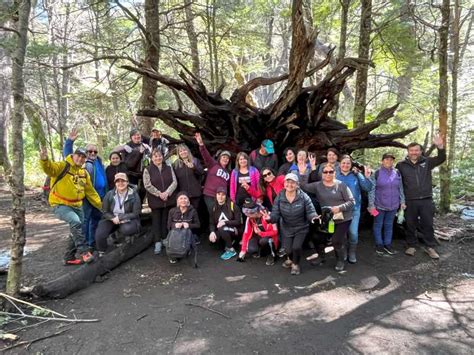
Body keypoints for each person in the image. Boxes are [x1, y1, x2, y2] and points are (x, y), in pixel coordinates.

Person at [39, 146, 101, 265]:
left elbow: (91, 192)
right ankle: (84, 251)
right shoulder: (63, 166)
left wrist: (101, 206)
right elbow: (49, 169)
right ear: (73, 155)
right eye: (79, 155)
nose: (80, 159)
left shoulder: (83, 173)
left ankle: (69, 257)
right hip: (60, 204)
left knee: (77, 229)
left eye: (83, 157)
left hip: (77, 205)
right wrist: (44, 159)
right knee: (75, 222)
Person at [396, 135, 446, 259]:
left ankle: (430, 247)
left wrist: (440, 147)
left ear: (420, 151)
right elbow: (396, 182)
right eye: (411, 150)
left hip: (426, 199)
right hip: (409, 200)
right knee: (410, 224)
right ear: (408, 151)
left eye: (416, 150)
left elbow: (441, 158)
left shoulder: (427, 162)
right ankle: (411, 245)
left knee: (428, 224)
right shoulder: (401, 165)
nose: (414, 152)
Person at [301, 165, 355, 271]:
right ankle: (321, 257)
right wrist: (303, 174)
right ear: (322, 174)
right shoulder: (317, 186)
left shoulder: (341, 185)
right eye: (325, 172)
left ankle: (340, 260)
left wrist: (339, 208)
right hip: (327, 219)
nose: (328, 174)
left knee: (336, 240)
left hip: (343, 218)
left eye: (331, 172)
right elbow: (303, 186)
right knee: (316, 237)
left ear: (335, 173)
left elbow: (352, 201)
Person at [63, 129, 107, 248]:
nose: (92, 153)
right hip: (86, 198)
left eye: (95, 151)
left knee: (96, 220)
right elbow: (68, 157)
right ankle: (83, 245)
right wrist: (69, 142)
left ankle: (92, 242)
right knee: (85, 221)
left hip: (99, 196)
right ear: (85, 152)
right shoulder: (82, 163)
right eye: (90, 151)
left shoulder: (99, 161)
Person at [268, 173, 318, 275]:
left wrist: (314, 217)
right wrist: (270, 218)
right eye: (287, 181)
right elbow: (275, 213)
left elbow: (310, 211)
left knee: (296, 247)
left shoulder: (304, 197)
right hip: (286, 228)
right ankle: (290, 259)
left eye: (292, 182)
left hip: (301, 227)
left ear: (297, 184)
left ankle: (295, 264)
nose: (289, 184)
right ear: (284, 183)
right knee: (288, 250)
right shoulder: (280, 197)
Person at [336, 155, 373, 263]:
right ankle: (344, 252)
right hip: (340, 210)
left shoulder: (357, 175)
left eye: (348, 163)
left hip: (354, 209)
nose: (345, 165)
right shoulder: (336, 176)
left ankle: (352, 252)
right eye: (343, 163)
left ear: (351, 165)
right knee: (342, 234)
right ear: (340, 164)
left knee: (353, 233)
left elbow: (368, 187)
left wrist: (366, 177)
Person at [95, 173, 141, 256]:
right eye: (118, 181)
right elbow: (104, 211)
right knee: (100, 234)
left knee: (127, 229)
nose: (120, 183)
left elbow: (136, 213)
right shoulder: (109, 194)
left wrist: (120, 218)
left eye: (123, 181)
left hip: (127, 218)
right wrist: (113, 218)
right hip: (112, 218)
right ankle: (102, 251)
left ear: (127, 182)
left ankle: (127, 237)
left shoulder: (134, 195)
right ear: (115, 183)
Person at [369, 153, 406, 255]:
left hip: (393, 205)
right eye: (386, 159)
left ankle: (388, 244)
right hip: (378, 205)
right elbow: (371, 190)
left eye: (391, 160)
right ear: (382, 161)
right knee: (378, 225)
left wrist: (402, 201)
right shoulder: (376, 173)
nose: (389, 161)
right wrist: (371, 205)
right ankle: (379, 245)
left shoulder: (397, 173)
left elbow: (401, 188)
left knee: (389, 225)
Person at [143, 149, 177, 255]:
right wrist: (159, 194)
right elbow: (147, 185)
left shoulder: (168, 168)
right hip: (155, 200)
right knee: (156, 221)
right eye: (155, 156)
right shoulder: (147, 169)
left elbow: (174, 181)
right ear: (152, 158)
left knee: (165, 220)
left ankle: (164, 239)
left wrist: (167, 193)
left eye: (159, 156)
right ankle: (157, 241)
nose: (158, 158)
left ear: (162, 157)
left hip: (168, 199)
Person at [194, 132, 231, 216]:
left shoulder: (229, 172)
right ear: (220, 158)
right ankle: (212, 229)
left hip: (222, 196)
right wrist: (201, 144)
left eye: (227, 158)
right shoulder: (213, 164)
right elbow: (206, 155)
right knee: (213, 212)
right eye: (224, 157)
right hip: (210, 194)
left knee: (222, 215)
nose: (225, 159)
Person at [238, 199, 278, 266]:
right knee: (251, 249)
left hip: (269, 237)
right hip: (258, 236)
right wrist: (243, 250)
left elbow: (275, 231)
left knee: (264, 241)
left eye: (249, 214)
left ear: (256, 212)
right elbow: (246, 233)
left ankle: (271, 255)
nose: (247, 216)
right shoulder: (249, 218)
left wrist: (262, 234)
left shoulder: (268, 215)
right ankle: (261, 251)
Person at [209, 187, 243, 260]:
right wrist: (212, 232)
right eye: (219, 194)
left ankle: (231, 249)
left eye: (223, 195)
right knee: (213, 241)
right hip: (223, 231)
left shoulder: (233, 205)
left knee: (222, 228)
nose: (220, 197)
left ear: (226, 196)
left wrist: (225, 222)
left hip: (235, 230)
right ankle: (230, 242)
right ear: (216, 195)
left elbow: (238, 222)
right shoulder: (213, 206)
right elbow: (211, 222)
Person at [167, 192, 200, 263]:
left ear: (188, 200)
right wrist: (175, 225)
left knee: (187, 247)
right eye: (181, 198)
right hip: (175, 235)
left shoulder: (193, 211)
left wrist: (189, 225)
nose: (183, 200)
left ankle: (187, 249)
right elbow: (168, 226)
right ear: (177, 201)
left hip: (187, 235)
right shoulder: (172, 211)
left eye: (185, 198)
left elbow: (198, 225)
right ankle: (173, 254)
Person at [121, 128, 152, 199]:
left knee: (142, 194)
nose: (137, 137)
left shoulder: (145, 146)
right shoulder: (127, 147)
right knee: (131, 196)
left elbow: (149, 160)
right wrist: (139, 153)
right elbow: (128, 165)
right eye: (134, 135)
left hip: (143, 175)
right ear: (131, 137)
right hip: (131, 176)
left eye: (138, 135)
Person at [172, 144, 204, 210]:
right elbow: (174, 180)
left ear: (188, 151)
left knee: (195, 212)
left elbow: (202, 173)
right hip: (183, 195)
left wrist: (194, 168)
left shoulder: (195, 161)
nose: (183, 152)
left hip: (195, 193)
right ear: (178, 153)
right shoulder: (176, 164)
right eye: (180, 151)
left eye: (184, 150)